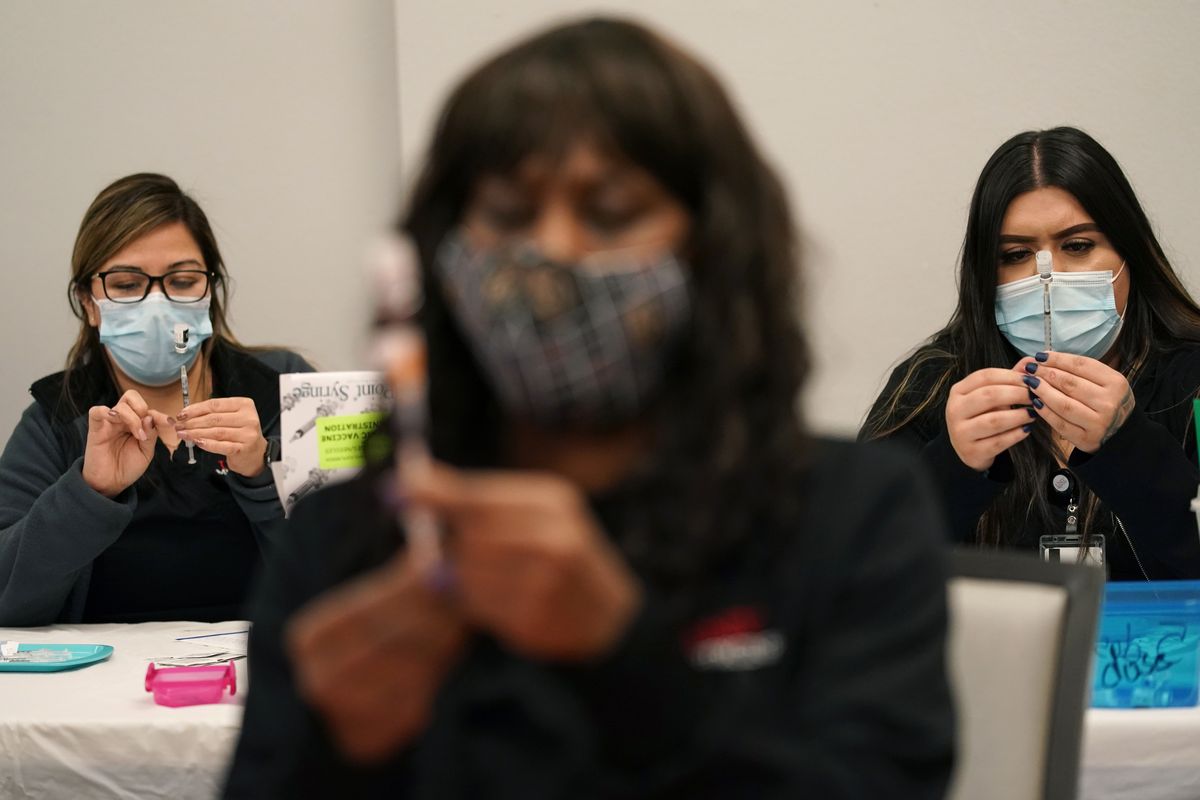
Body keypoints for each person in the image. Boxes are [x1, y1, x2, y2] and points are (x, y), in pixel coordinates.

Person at [225, 18, 954, 798]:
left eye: (610, 213)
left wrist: (626, 659)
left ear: (712, 245)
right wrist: (332, 753)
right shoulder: (351, 542)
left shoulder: (852, 515)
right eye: (507, 215)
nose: (553, 252)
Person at [862, 126, 1200, 581]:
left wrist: (1129, 447)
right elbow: (855, 574)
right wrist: (954, 467)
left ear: (1129, 252)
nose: (1048, 278)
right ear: (985, 273)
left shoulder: (1190, 377)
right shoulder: (934, 383)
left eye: (1078, 246)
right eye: (1016, 254)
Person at [0, 173, 312, 625]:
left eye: (183, 281)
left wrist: (265, 473)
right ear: (89, 302)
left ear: (211, 291)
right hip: (99, 687)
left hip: (266, 672)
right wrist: (89, 492)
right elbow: (7, 600)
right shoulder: (58, 415)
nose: (157, 303)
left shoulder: (284, 388)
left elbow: (355, 576)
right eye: (126, 285)